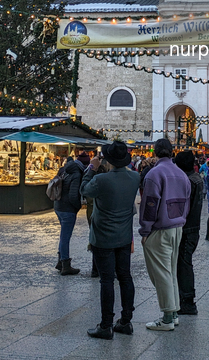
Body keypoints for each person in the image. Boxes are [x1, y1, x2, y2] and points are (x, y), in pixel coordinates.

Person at [80, 141, 140, 340]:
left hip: (103, 236)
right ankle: (126, 321)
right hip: (123, 235)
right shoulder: (135, 177)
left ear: (107, 159)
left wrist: (92, 168)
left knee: (107, 280)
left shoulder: (102, 179)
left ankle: (106, 325)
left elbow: (84, 190)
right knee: (125, 276)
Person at [139, 137, 191, 331]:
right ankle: (174, 312)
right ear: (172, 152)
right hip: (177, 226)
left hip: (160, 229)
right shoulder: (181, 174)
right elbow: (187, 202)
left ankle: (168, 317)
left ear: (154, 152)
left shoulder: (155, 173)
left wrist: (145, 229)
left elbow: (150, 204)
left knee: (161, 273)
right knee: (170, 271)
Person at [174, 150, 204, 315]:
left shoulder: (187, 181)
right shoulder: (196, 178)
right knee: (184, 263)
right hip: (193, 227)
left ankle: (187, 300)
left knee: (184, 264)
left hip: (186, 228)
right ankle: (184, 297)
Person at [53, 152, 86, 275]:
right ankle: (65, 265)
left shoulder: (64, 170)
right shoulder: (77, 174)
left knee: (63, 236)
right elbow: (73, 196)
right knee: (65, 237)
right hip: (68, 209)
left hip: (58, 206)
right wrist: (78, 206)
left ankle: (60, 262)